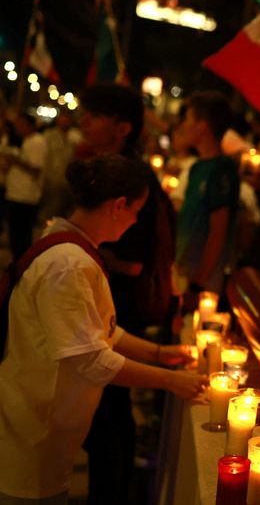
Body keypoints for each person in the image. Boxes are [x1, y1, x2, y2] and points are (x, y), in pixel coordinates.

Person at [0, 154, 204, 504]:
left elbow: (98, 331)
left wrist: (158, 353)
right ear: (119, 205)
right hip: (34, 428)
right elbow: (90, 360)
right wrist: (171, 381)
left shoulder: (73, 247)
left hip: (44, 421)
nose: (135, 221)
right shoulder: (68, 264)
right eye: (136, 212)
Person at [78, 82, 176, 505]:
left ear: (122, 128)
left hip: (121, 302)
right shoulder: (109, 166)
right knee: (108, 411)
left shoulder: (129, 177)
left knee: (109, 412)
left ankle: (110, 493)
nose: (84, 122)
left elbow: (134, 260)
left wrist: (86, 249)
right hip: (108, 300)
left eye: (95, 115)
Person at [175, 91, 240, 306]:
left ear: (203, 126)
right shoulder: (196, 167)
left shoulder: (222, 170)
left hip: (204, 282)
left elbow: (218, 232)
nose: (183, 125)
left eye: (188, 119)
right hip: (184, 271)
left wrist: (198, 282)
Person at [4, 112, 48, 261]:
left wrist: (15, 161)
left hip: (26, 196)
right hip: (16, 194)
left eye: (20, 124)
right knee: (16, 236)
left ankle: (21, 265)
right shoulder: (26, 141)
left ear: (29, 125)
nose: (17, 127)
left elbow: (36, 169)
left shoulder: (37, 142)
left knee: (21, 236)